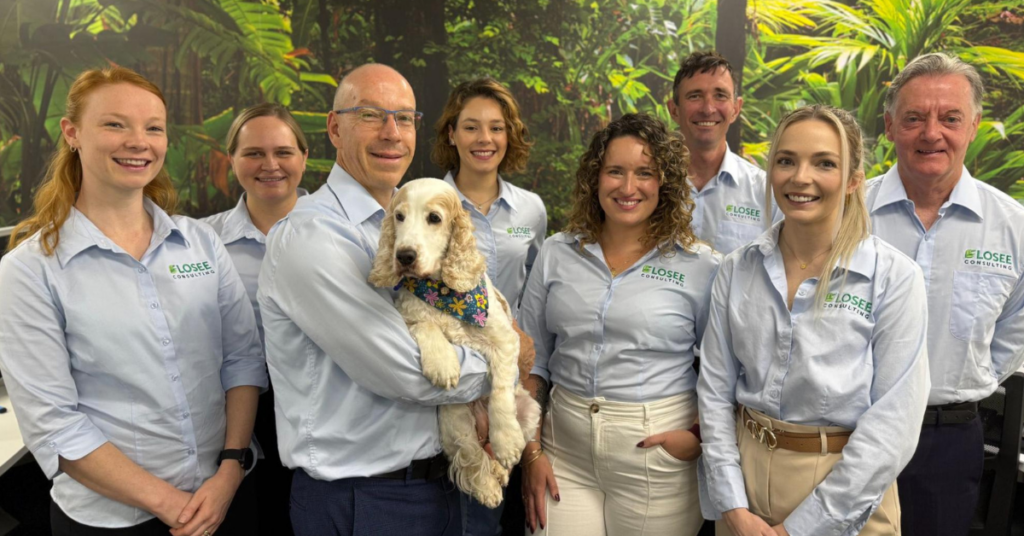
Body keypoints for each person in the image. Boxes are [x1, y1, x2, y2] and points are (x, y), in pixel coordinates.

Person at [0, 67, 266, 536]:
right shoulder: (30, 270)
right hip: (115, 521)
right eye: (115, 124)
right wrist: (172, 505)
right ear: (72, 133)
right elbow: (56, 427)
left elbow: (242, 361)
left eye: (153, 128)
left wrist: (229, 470)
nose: (138, 141)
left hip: (227, 497)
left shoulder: (201, 243)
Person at [258, 63, 499, 536]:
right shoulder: (313, 236)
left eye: (405, 118)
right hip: (364, 501)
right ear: (334, 127)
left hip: (446, 483)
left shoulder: (410, 221)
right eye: (371, 115)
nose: (392, 133)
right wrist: (505, 358)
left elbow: (480, 305)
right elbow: (406, 371)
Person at [698, 104, 930, 536]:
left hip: (842, 490)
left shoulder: (894, 279)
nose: (799, 177)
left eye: (824, 163)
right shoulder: (736, 269)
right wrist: (730, 504)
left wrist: (802, 528)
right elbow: (714, 394)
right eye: (786, 161)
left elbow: (892, 425)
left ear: (854, 180)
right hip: (744, 482)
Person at [518, 113, 717, 536]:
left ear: (664, 182)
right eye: (615, 171)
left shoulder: (700, 266)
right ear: (595, 177)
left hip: (656, 459)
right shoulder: (557, 252)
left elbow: (724, 372)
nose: (629, 188)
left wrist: (697, 437)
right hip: (563, 453)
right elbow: (531, 362)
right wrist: (531, 453)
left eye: (645, 173)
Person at [866, 53, 1024, 536]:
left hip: (948, 440)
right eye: (914, 118)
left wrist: (961, 382)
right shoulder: (847, 213)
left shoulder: (1012, 227)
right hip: (845, 432)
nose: (931, 133)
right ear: (891, 126)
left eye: (950, 118)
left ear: (973, 125)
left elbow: (1014, 331)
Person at [430, 77, 547, 536]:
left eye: (496, 128)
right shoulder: (427, 202)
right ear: (452, 134)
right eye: (472, 127)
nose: (485, 139)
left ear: (509, 135)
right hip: (450, 375)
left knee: (494, 509)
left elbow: (533, 299)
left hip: (508, 381)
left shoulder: (530, 211)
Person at [202, 102, 309, 535]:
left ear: (303, 156)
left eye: (283, 152)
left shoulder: (340, 234)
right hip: (238, 421)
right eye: (253, 154)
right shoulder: (202, 242)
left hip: (321, 409)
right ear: (232, 161)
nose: (270, 165)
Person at [667, 51, 779, 254]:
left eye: (720, 95)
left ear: (736, 109)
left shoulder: (765, 193)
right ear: (674, 110)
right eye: (695, 96)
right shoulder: (649, 184)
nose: (708, 109)